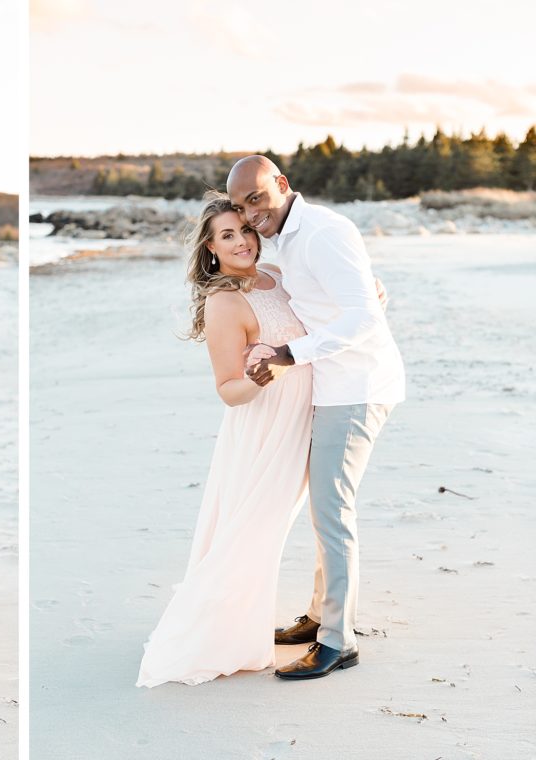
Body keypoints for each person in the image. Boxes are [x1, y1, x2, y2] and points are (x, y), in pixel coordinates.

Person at [232, 155, 405, 680]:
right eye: (241, 207)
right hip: (329, 386)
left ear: (282, 185)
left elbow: (363, 316)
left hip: (357, 386)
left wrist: (291, 354)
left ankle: (338, 641)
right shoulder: (284, 240)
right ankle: (320, 615)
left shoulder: (326, 231)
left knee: (332, 509)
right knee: (323, 506)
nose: (250, 213)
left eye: (256, 198)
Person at [136, 194, 314, 687]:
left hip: (308, 415)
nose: (242, 242)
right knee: (252, 531)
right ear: (211, 249)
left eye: (246, 230)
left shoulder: (279, 277)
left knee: (281, 527)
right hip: (264, 428)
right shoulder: (224, 302)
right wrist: (261, 377)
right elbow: (227, 391)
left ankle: (298, 617)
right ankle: (222, 635)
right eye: (228, 236)